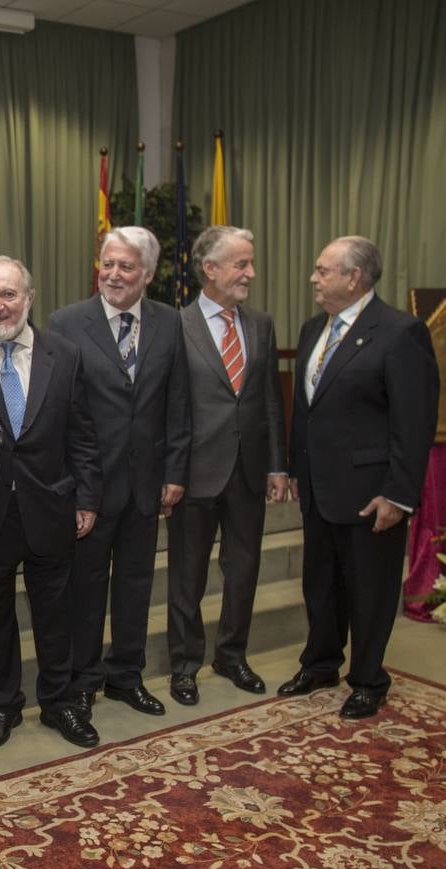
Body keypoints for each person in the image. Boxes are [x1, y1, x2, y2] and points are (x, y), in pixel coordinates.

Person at [280, 235, 439, 719]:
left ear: (354, 277)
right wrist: (292, 468)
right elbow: (306, 411)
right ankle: (321, 663)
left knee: (370, 590)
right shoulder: (313, 330)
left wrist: (398, 493)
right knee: (321, 585)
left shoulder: (400, 332)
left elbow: (413, 423)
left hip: (371, 493)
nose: (313, 278)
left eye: (322, 270)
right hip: (318, 489)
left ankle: (369, 678)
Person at [0, 256, 102, 749]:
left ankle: (59, 703)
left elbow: (82, 434)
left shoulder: (65, 353)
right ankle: (2, 706)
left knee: (56, 613)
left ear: (29, 299)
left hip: (51, 506)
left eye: (8, 295)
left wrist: (87, 497)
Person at [48, 226, 191, 721]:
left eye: (125, 266)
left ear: (147, 274)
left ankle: (126, 675)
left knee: (135, 584)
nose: (113, 274)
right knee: (86, 589)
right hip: (91, 485)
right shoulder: (66, 323)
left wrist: (176, 470)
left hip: (148, 484)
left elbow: (178, 401)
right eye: (107, 264)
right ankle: (83, 681)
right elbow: (60, 410)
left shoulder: (171, 323)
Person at [165, 226, 287, 706]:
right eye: (241, 264)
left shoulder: (261, 324)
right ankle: (184, 664)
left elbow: (272, 403)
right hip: (196, 471)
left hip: (249, 470)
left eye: (251, 263)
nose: (250, 273)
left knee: (243, 570)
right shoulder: (177, 325)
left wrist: (278, 465)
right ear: (210, 268)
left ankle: (232, 656)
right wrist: (171, 473)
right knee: (187, 575)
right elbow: (171, 405)